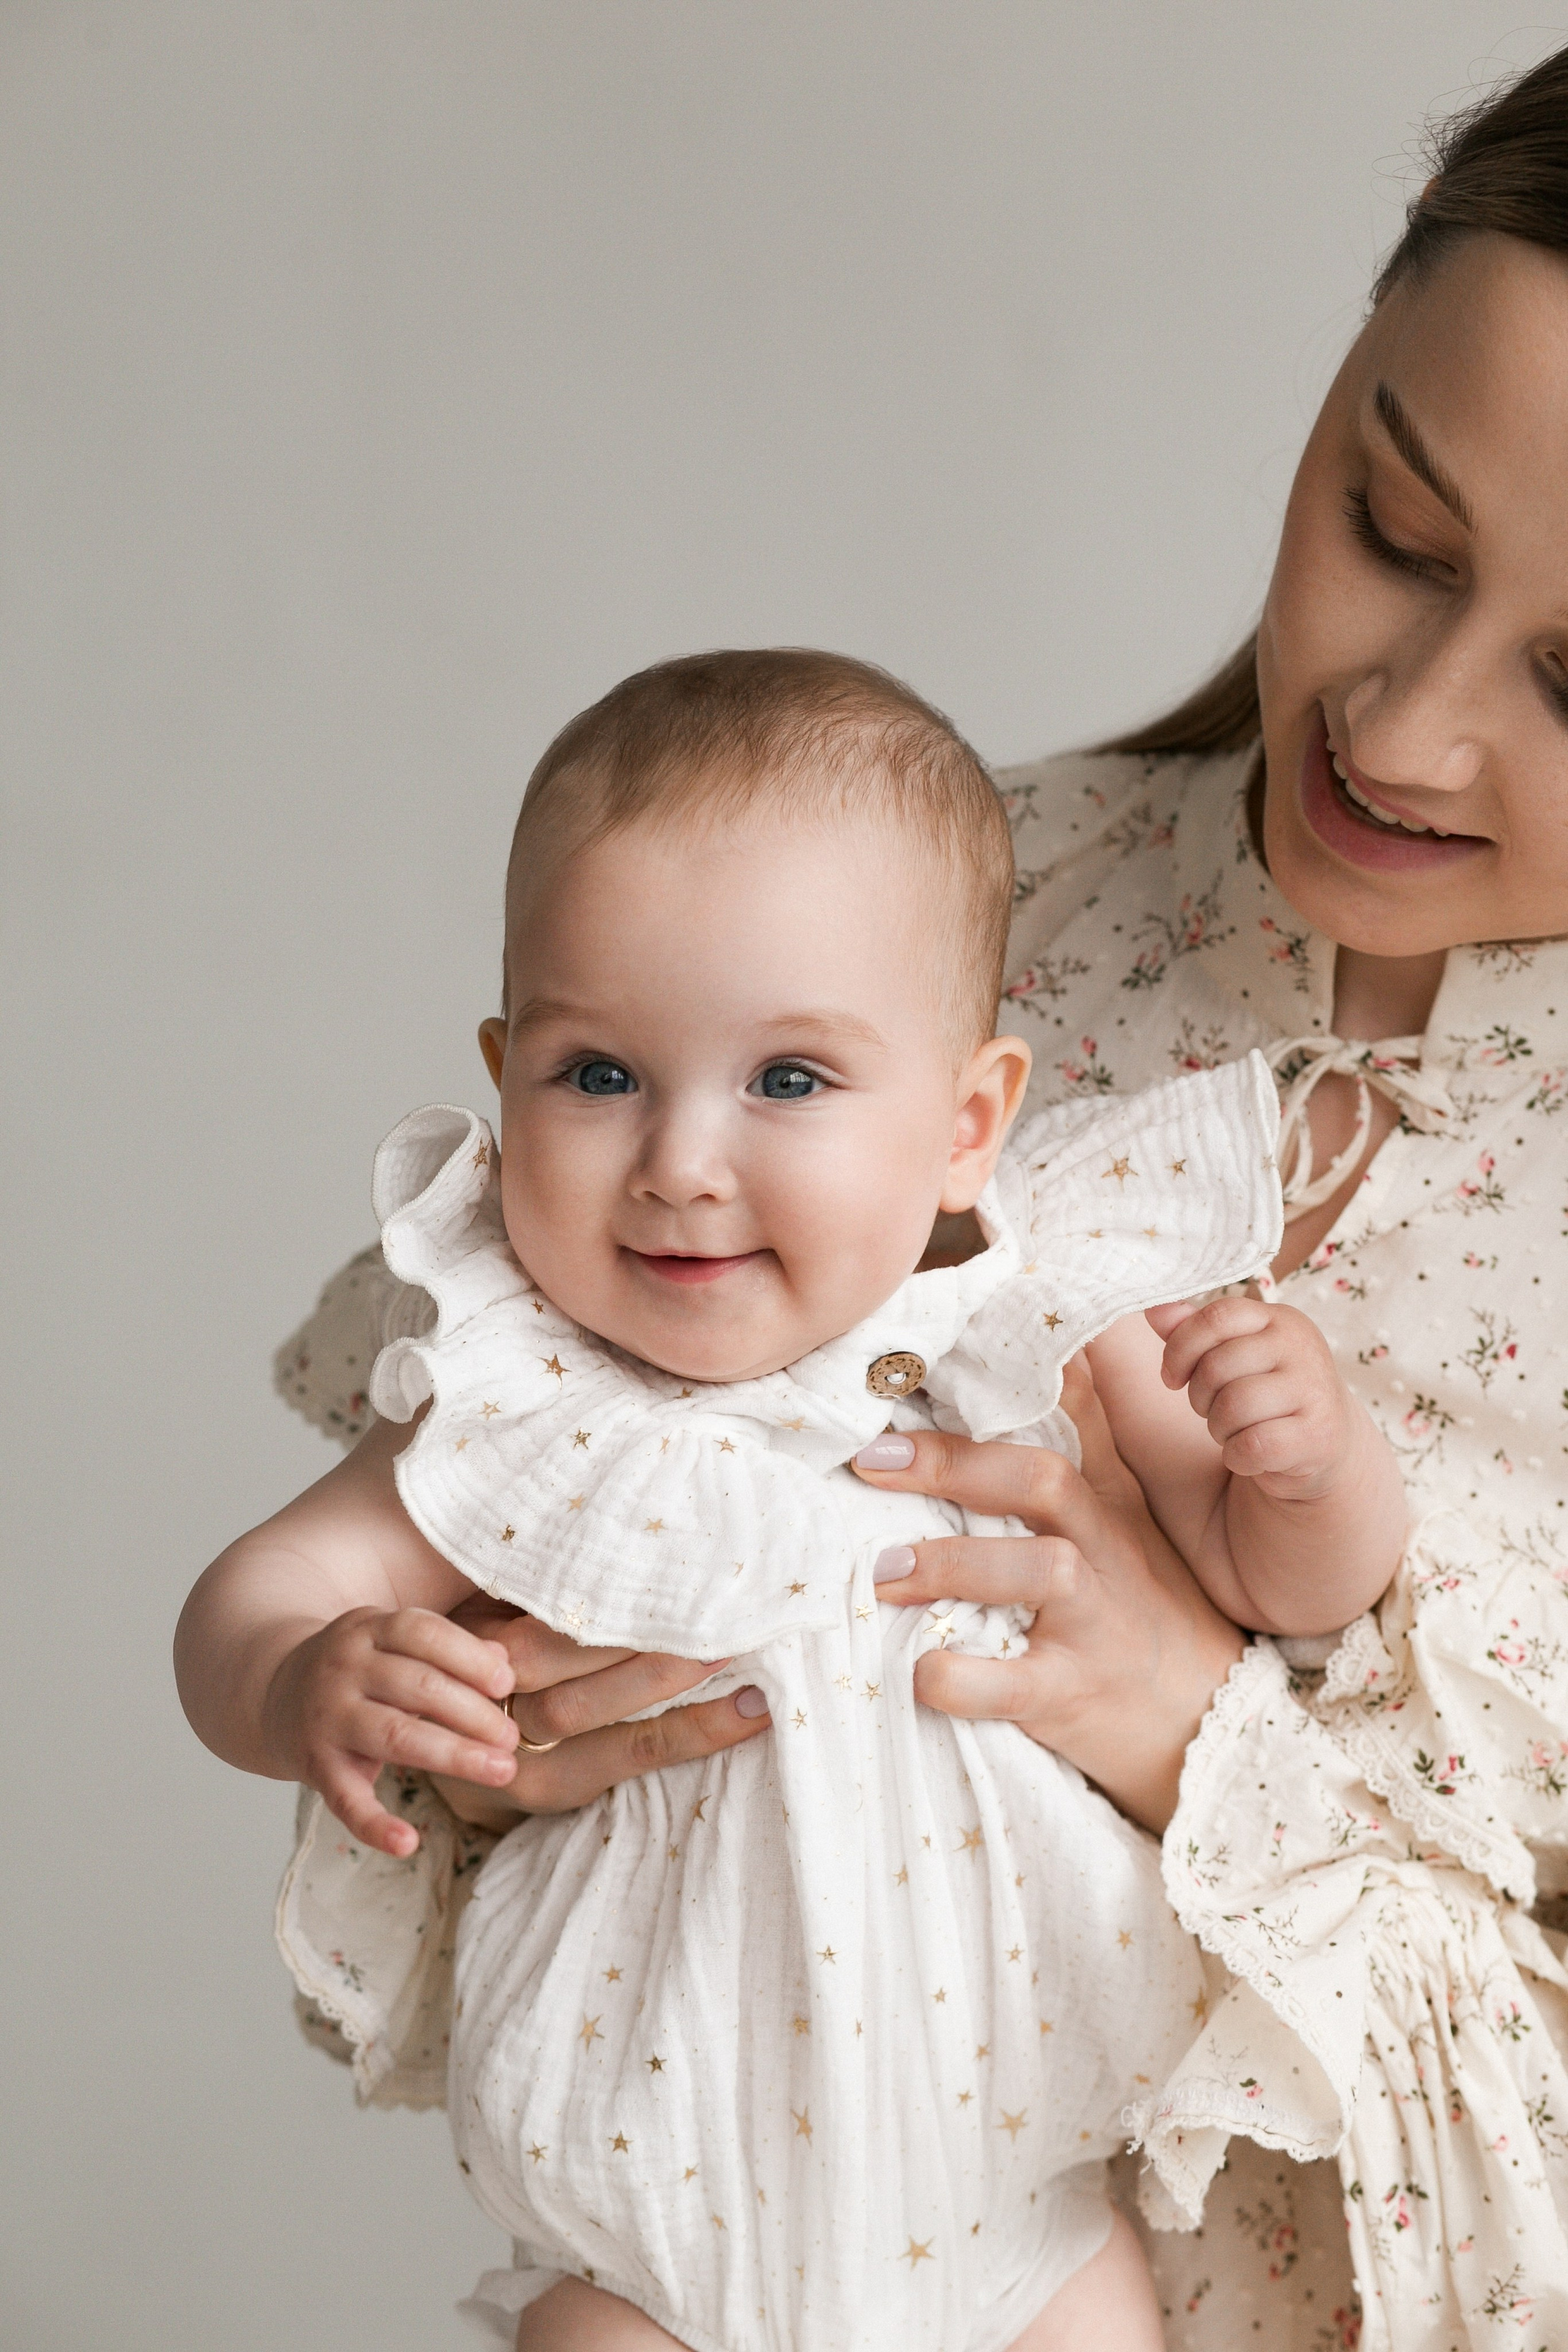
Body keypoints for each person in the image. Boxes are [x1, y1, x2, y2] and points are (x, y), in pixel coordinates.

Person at [206, 46, 1568, 2352]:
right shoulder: (869, 909)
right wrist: (486, 1714)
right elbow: (436, 1547)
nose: (1409, 727)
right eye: (1394, 527)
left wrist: (1198, 1731)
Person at [175, 647, 1404, 2352]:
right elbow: (254, 1596)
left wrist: (1311, 1465)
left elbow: (1286, 1590)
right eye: (598, 1074)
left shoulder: (1034, 1332)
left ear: (969, 1125)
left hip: (1020, 2209)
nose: (682, 1158)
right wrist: (306, 1674)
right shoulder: (526, 1395)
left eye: (790, 1082)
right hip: (653, 2236)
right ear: (504, 1068)